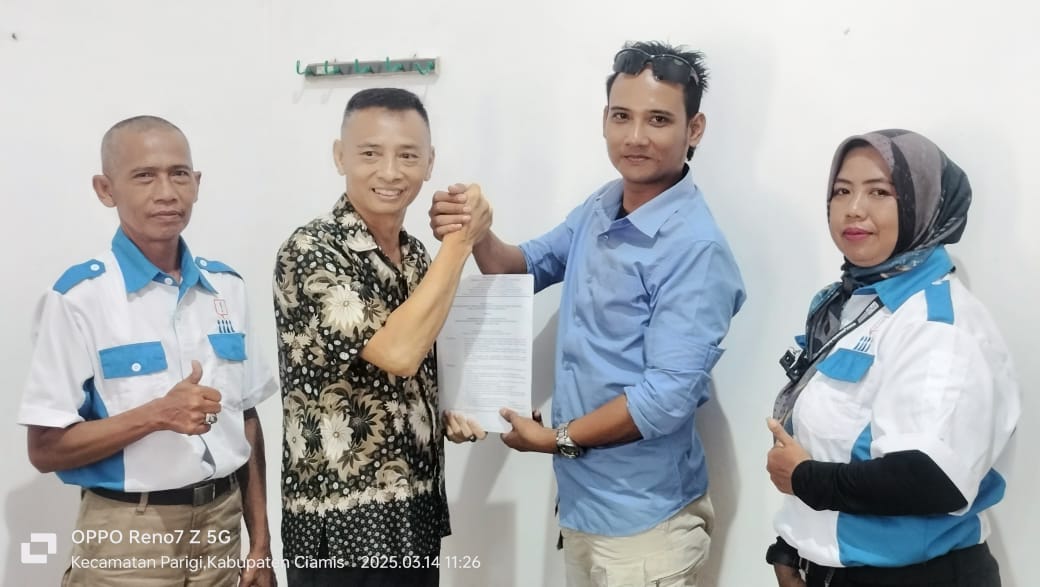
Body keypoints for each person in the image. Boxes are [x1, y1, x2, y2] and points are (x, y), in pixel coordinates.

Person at [430, 41, 745, 586]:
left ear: (694, 129)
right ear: (604, 120)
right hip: (583, 508)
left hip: (647, 527)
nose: (636, 136)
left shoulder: (696, 247)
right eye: (622, 116)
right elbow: (521, 268)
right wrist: (475, 229)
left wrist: (556, 439)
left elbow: (663, 400)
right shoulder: (603, 204)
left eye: (658, 119)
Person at [18, 115, 277, 586]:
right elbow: (45, 449)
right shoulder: (79, 298)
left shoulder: (227, 288)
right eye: (143, 176)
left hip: (222, 523)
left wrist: (260, 544)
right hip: (129, 533)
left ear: (197, 183)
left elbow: (246, 419)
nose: (166, 192)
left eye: (179, 174)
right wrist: (157, 414)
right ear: (105, 189)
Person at [765, 129, 1020, 587]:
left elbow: (931, 479)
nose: (854, 208)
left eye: (880, 192)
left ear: (924, 205)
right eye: (842, 191)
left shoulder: (940, 325)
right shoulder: (849, 305)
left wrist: (804, 479)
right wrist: (790, 549)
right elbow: (829, 439)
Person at [273, 87, 490, 587]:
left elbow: (419, 366)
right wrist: (461, 242)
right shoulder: (310, 250)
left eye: (408, 156)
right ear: (340, 156)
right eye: (370, 153)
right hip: (339, 526)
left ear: (429, 163)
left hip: (414, 512)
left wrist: (451, 411)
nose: (390, 172)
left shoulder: (416, 256)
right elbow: (398, 353)